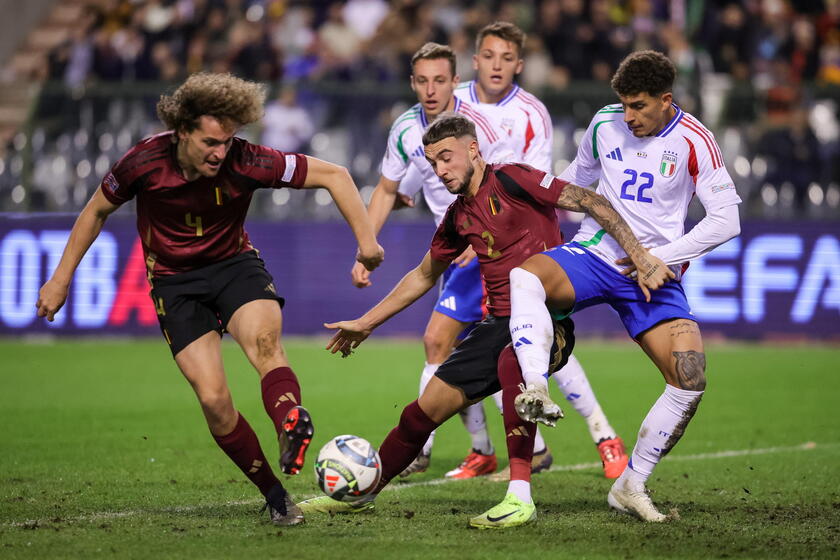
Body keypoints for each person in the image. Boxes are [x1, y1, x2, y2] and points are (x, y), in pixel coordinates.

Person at [35, 72, 384, 526]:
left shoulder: (248, 159)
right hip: (175, 284)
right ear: (181, 131)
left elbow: (334, 175)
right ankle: (275, 494)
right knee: (215, 400)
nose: (220, 152)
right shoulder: (143, 162)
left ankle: (289, 424)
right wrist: (60, 278)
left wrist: (367, 242)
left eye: (228, 140)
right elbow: (97, 209)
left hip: (233, 266)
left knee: (265, 346)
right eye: (209, 142)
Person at [300, 112, 672, 529]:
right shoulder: (458, 216)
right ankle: (362, 493)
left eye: (446, 158)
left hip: (549, 322)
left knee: (514, 364)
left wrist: (640, 257)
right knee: (418, 415)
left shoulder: (512, 178)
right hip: (495, 325)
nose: (440, 170)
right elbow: (424, 274)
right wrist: (367, 322)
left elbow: (591, 201)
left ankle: (520, 497)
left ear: (473, 149)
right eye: (433, 163)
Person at [507, 50, 741, 522]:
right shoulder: (604, 123)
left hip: (654, 274)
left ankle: (631, 484)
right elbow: (577, 183)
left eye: (638, 106)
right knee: (525, 275)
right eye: (623, 104)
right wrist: (524, 199)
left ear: (665, 99)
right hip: (594, 253)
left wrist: (659, 258)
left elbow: (727, 220)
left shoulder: (695, 140)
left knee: (690, 380)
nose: (628, 115)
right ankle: (534, 386)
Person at [451, 20, 629, 481]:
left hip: (521, 240)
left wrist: (489, 229)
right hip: (472, 240)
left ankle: (604, 436)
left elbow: (535, 186)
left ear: (519, 65)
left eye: (506, 58)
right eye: (489, 56)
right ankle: (523, 448)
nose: (497, 65)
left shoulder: (532, 112)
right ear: (475, 59)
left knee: (537, 339)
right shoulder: (454, 102)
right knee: (482, 344)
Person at [349, 42, 516, 480]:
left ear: (455, 80)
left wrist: (479, 231)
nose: (430, 89)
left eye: (439, 80)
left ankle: (427, 449)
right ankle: (484, 450)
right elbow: (387, 189)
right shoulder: (406, 129)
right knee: (469, 349)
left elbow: (502, 182)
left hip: (491, 248)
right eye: (422, 80)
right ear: (411, 82)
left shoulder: (477, 123)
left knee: (458, 344)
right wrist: (367, 246)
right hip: (455, 247)